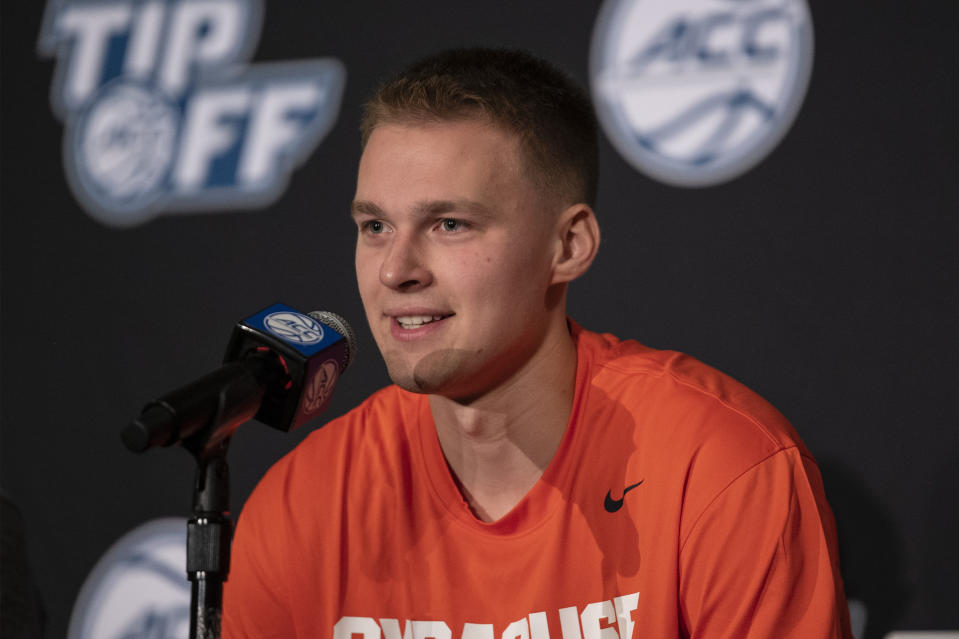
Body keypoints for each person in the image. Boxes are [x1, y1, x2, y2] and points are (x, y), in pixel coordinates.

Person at [222, 48, 852, 639]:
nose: (395, 270)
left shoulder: (718, 468)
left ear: (568, 246)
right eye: (376, 226)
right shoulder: (302, 505)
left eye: (449, 224)